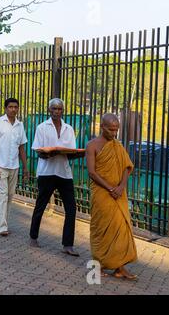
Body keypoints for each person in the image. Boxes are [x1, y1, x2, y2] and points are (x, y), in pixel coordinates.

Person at [86, 113, 138, 280]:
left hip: (118, 194)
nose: (114, 133)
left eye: (116, 130)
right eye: (111, 129)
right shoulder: (92, 145)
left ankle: (119, 267)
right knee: (101, 228)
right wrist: (110, 188)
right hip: (102, 194)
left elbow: (127, 167)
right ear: (102, 127)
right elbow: (92, 172)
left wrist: (121, 187)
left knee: (121, 228)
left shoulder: (117, 145)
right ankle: (98, 265)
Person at [29, 98, 82, 256]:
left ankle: (68, 244)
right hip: (47, 172)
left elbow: (72, 152)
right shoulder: (42, 128)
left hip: (64, 173)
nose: (57, 111)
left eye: (59, 109)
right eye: (54, 108)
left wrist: (70, 153)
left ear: (62, 111)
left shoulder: (69, 129)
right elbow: (37, 150)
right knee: (41, 205)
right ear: (49, 110)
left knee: (71, 209)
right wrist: (48, 153)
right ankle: (33, 237)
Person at [0, 98, 29, 236]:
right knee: (2, 196)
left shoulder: (20, 125)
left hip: (14, 166)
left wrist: (25, 167)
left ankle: (4, 222)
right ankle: (2, 226)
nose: (13, 109)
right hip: (1, 166)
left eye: (15, 107)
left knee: (10, 196)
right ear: (5, 108)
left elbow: (22, 147)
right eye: (10, 107)